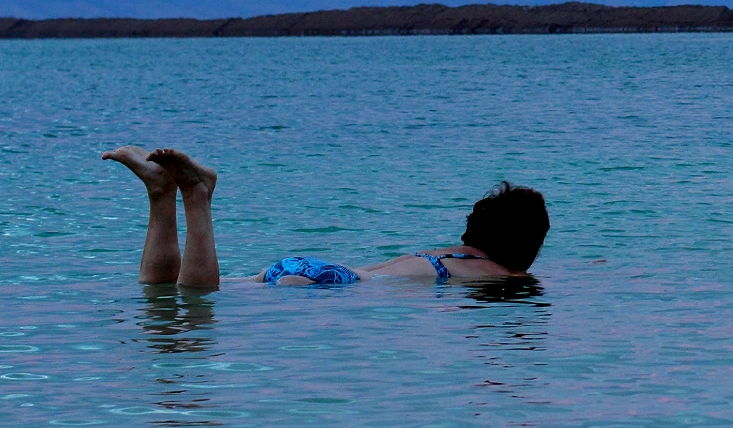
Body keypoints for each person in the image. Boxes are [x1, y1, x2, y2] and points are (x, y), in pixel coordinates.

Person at [102, 146, 549, 289]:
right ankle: (195, 196)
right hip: (331, 285)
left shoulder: (445, 251)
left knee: (169, 296)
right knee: (198, 304)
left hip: (312, 268)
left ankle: (161, 194)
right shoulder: (502, 275)